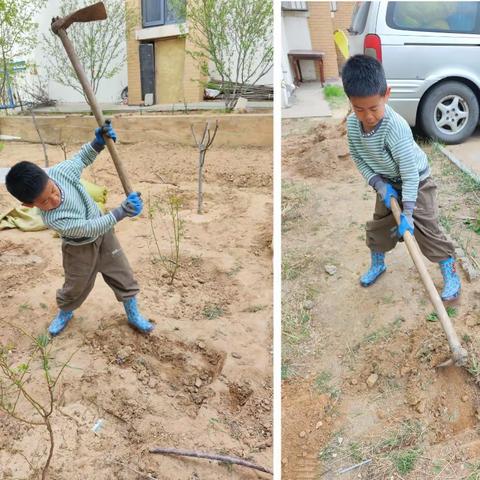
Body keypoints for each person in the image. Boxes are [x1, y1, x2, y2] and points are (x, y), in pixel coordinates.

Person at [5, 122, 154, 335]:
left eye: (53, 191)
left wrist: (98, 143)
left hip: (105, 236)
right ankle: (66, 311)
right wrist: (122, 212)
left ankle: (133, 314)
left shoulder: (60, 173)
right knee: (75, 286)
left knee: (123, 273)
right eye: (45, 201)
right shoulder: (54, 219)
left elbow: (81, 159)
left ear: (50, 177)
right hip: (79, 249)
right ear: (30, 205)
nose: (54, 200)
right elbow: (88, 228)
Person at [341, 54, 461, 301]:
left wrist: (407, 211)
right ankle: (378, 264)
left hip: (417, 181)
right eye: (359, 109)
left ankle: (450, 271)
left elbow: (408, 173)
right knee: (379, 225)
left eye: (374, 108)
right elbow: (359, 158)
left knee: (426, 229)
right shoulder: (353, 126)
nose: (368, 116)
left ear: (387, 94)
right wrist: (378, 184)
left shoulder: (396, 127)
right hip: (385, 182)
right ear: (350, 103)